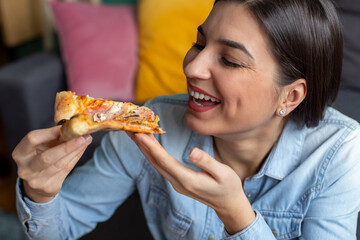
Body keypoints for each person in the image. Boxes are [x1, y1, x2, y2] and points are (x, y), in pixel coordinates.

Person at [12, 0, 360, 239]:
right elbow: (62, 228)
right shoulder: (147, 125)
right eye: (199, 42)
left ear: (291, 96)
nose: (192, 67)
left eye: (230, 60)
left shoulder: (339, 154)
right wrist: (40, 192)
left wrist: (236, 215)